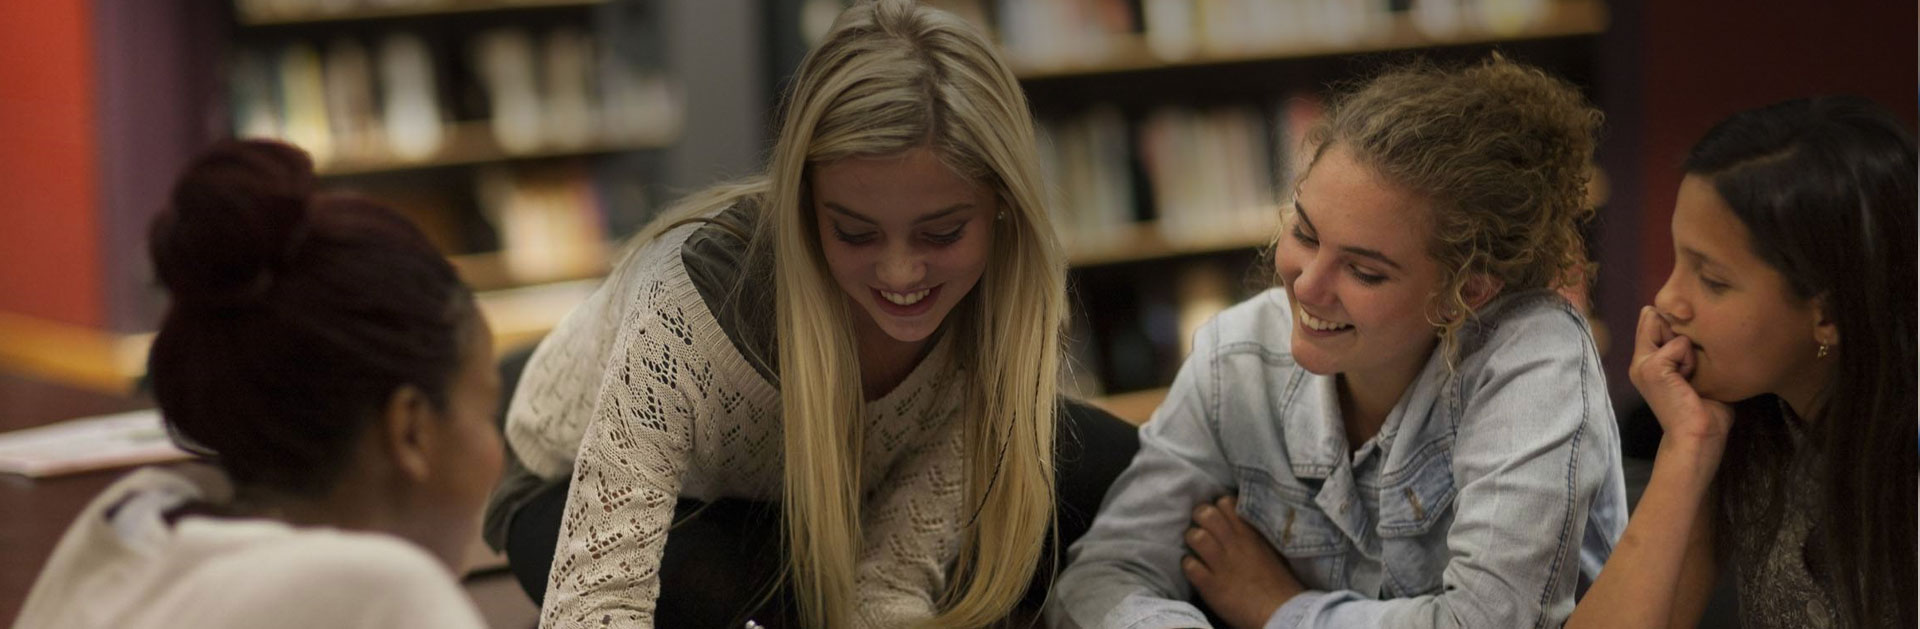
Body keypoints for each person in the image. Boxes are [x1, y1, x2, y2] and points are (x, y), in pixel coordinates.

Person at [482, 1, 1140, 627]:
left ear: (1002, 207)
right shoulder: (684, 304)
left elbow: (888, 584)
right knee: (718, 593)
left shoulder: (998, 310)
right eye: (855, 232)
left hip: (826, 492)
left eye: (942, 234)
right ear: (803, 207)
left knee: (1112, 463)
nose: (900, 274)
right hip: (574, 476)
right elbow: (595, 600)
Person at [1047, 56, 1628, 629]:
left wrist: (1280, 610)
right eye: (1304, 233)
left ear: (1467, 291)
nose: (1306, 285)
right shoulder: (1238, 356)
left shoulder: (1533, 362)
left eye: (1364, 272)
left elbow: (1487, 623)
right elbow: (1104, 577)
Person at [14, 140, 501, 629]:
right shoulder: (384, 595)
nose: (496, 450)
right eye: (487, 413)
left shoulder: (128, 517)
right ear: (411, 428)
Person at [1567, 97, 1916, 628]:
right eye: (1678, 259)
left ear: (1828, 315)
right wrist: (1688, 447)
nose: (1667, 299)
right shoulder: (1747, 421)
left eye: (1713, 280)